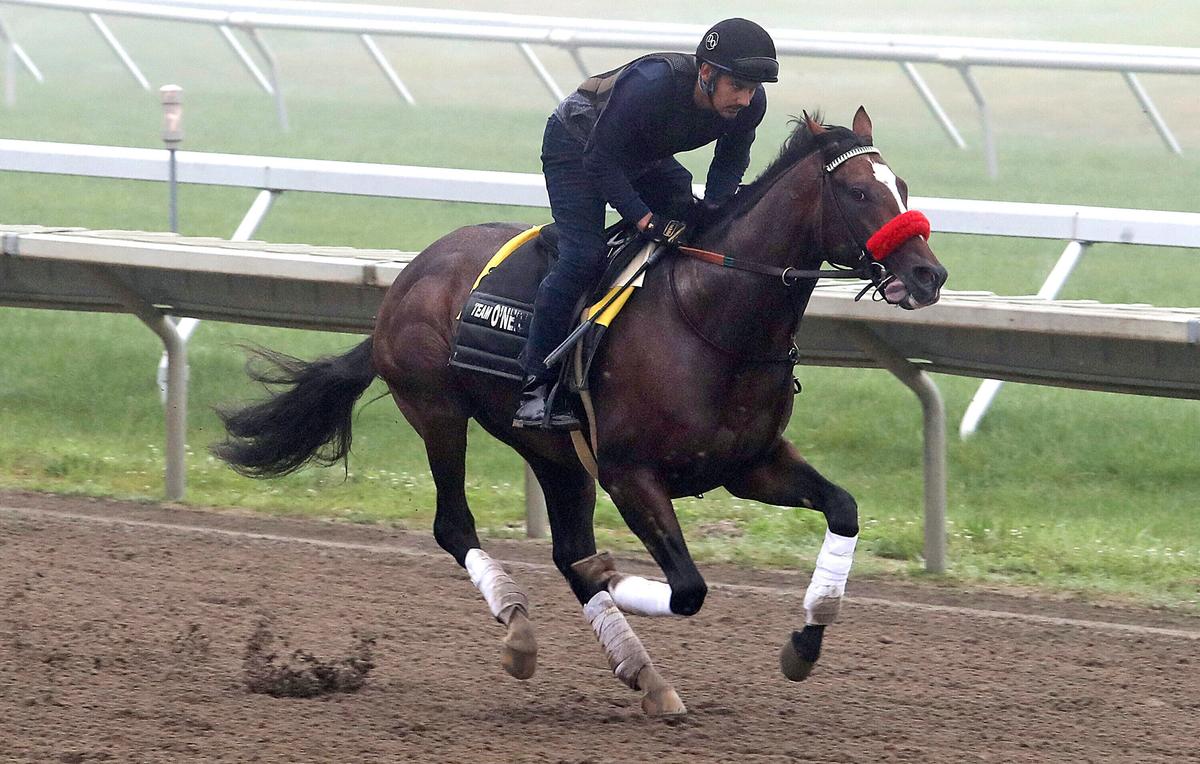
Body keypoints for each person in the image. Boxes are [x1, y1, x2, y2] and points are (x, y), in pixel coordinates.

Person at [513, 17, 780, 429]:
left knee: (693, 224)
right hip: (578, 146)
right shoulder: (652, 83)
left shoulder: (749, 107)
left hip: (639, 155)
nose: (745, 100)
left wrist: (713, 214)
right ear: (707, 73)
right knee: (583, 257)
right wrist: (643, 219)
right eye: (738, 87)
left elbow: (729, 163)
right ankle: (535, 383)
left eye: (752, 89)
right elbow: (600, 161)